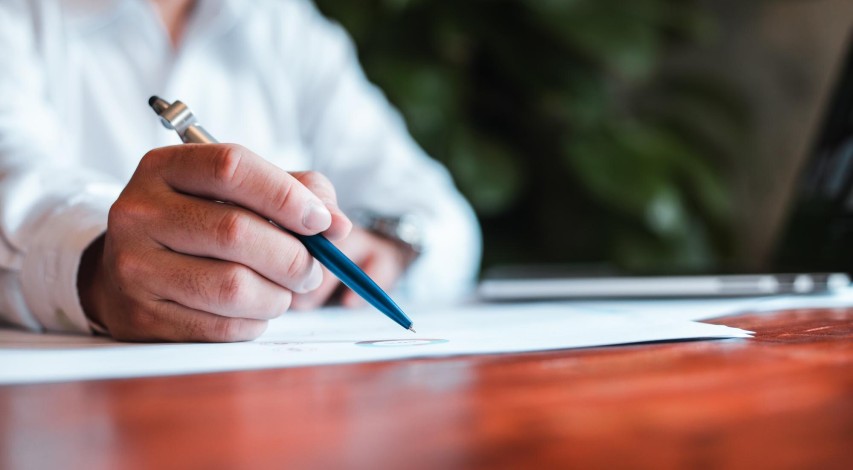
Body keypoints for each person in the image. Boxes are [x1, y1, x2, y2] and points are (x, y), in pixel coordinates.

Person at [0, 0, 481, 341]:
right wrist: (99, 268)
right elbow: (14, 180)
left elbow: (445, 217)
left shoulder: (285, 25)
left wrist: (389, 246)